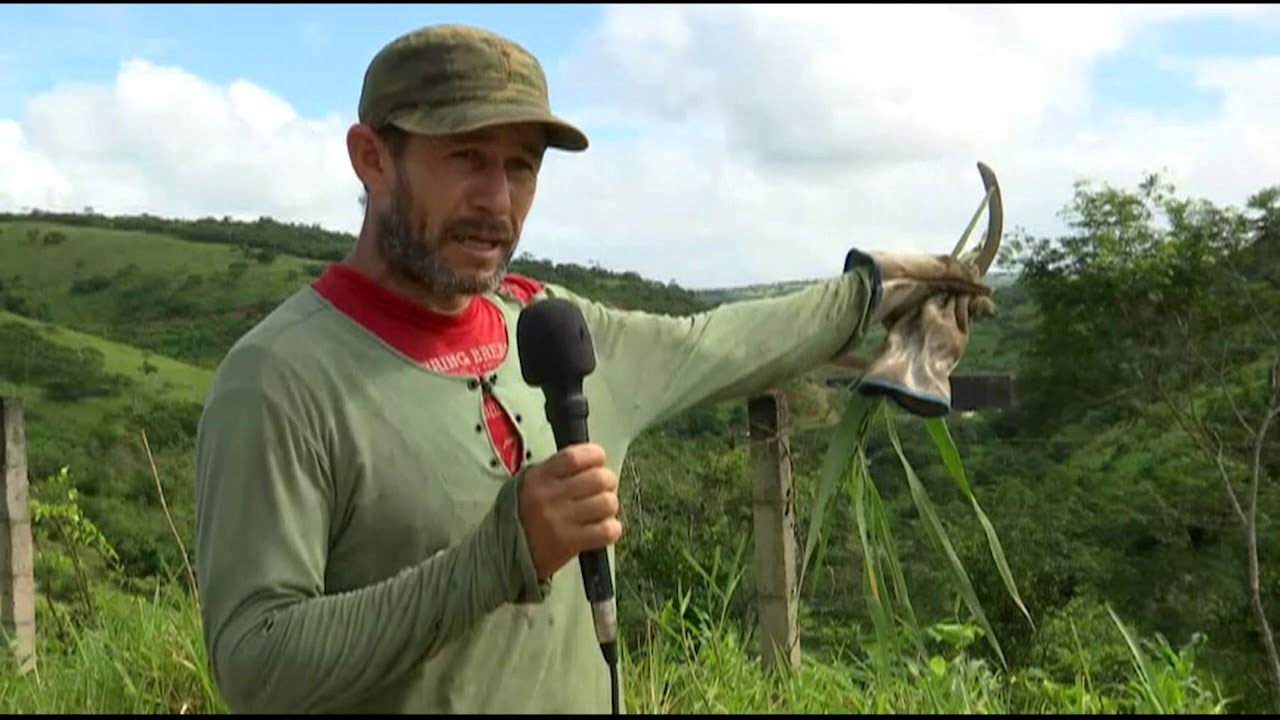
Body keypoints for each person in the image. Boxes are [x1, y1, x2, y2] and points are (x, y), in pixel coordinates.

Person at [192, 23, 995, 715]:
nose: (497, 202)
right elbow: (257, 663)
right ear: (371, 158)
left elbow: (719, 341)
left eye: (521, 167)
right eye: (465, 157)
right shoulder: (278, 380)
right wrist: (502, 553)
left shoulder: (553, 333)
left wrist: (873, 293)